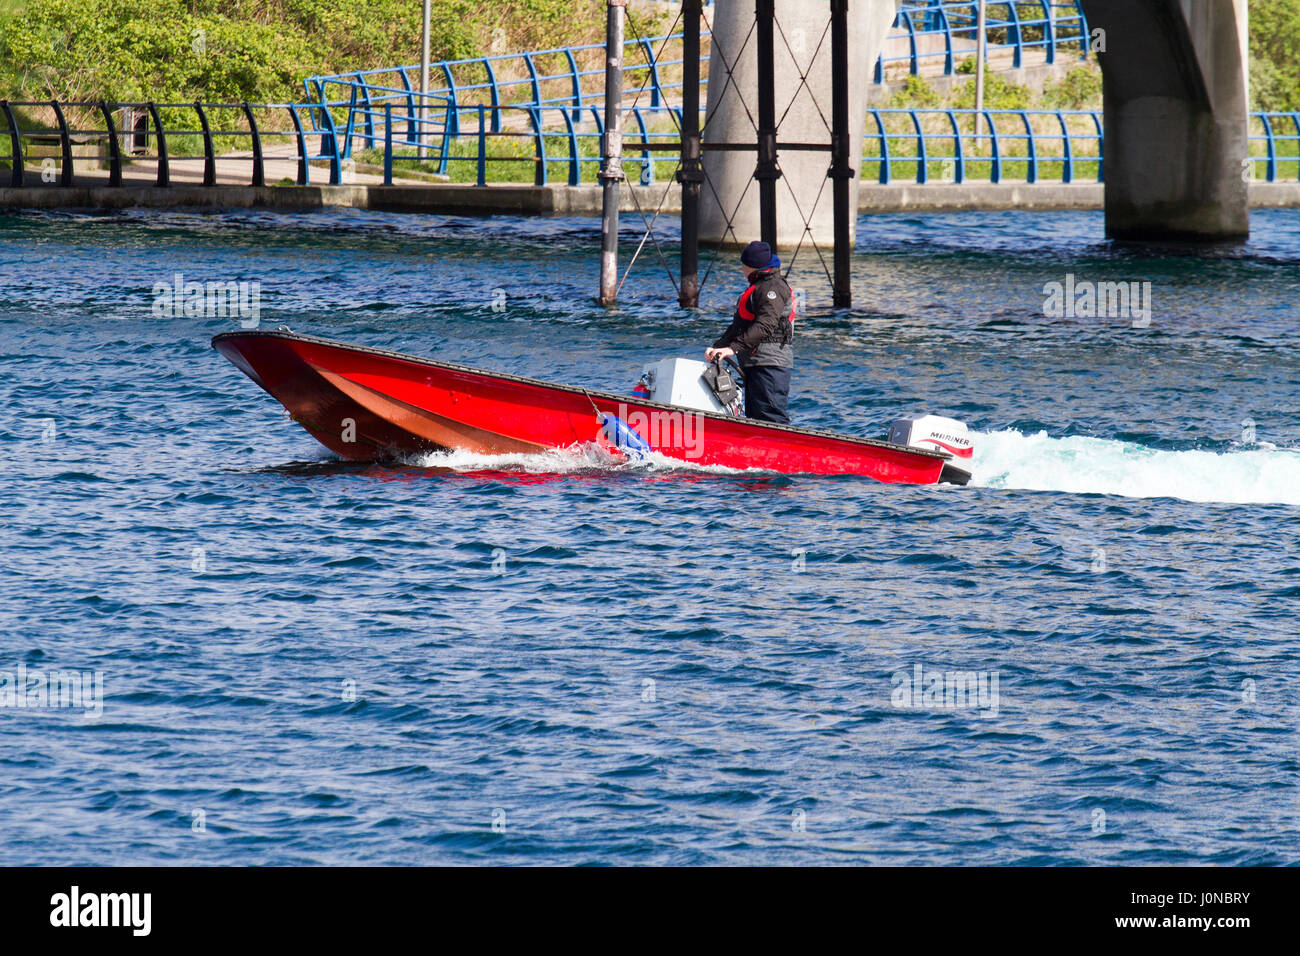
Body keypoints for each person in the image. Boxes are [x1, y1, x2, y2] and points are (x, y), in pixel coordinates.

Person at [704, 240, 795, 424]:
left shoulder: (773, 288)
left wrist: (733, 348)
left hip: (770, 364)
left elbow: (765, 326)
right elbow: (738, 326)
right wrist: (719, 348)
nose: (742, 268)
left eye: (743, 264)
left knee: (771, 418)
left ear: (751, 266)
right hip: (755, 363)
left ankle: (781, 450)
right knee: (754, 419)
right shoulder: (758, 286)